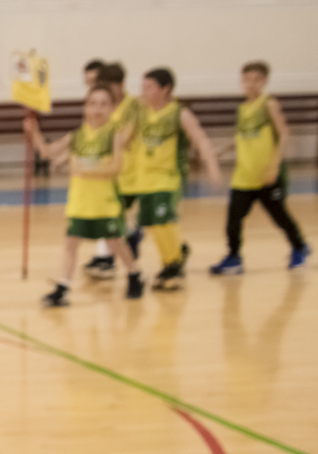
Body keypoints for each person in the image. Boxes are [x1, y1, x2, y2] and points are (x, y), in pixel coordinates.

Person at [25, 84, 144, 306]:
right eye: (93, 104)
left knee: (116, 243)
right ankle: (63, 287)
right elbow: (47, 152)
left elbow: (116, 168)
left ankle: (134, 274)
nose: (98, 109)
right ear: (85, 107)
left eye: (104, 104)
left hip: (105, 204)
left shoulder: (114, 135)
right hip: (79, 203)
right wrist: (35, 133)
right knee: (71, 244)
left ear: (111, 108)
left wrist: (87, 172)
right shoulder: (76, 136)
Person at [118, 67, 221, 291]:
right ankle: (173, 259)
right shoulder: (140, 113)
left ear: (165, 89)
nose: (143, 91)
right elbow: (123, 139)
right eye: (143, 86)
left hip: (168, 179)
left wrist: (212, 167)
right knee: (153, 224)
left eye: (149, 87)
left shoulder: (179, 114)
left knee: (164, 220)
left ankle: (173, 265)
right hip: (143, 180)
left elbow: (201, 140)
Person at [210, 61, 310, 273]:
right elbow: (242, 137)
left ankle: (299, 247)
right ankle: (234, 257)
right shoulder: (242, 109)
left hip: (266, 175)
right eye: (247, 79)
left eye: (256, 79)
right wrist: (223, 150)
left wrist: (274, 166)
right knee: (234, 218)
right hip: (243, 175)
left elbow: (284, 134)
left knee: (279, 216)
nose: (251, 84)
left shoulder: (268, 103)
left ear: (264, 81)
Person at [83, 62, 140, 280]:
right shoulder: (105, 107)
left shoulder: (133, 106)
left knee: (125, 224)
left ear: (120, 84)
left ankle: (119, 260)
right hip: (110, 175)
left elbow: (126, 136)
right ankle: (108, 259)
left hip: (132, 174)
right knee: (110, 219)